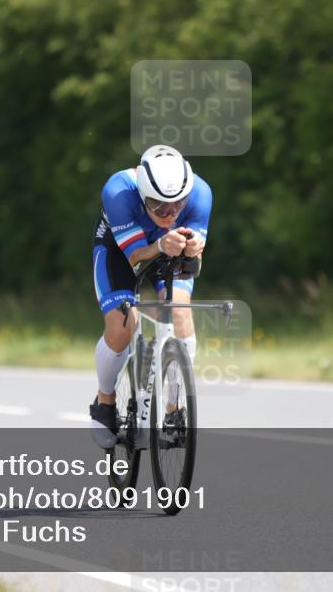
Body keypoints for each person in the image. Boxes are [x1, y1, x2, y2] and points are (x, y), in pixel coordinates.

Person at [89, 145, 212, 447]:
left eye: (177, 206)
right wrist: (160, 246)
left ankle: (174, 408)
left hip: (167, 249)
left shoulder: (200, 193)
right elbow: (137, 261)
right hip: (121, 251)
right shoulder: (118, 192)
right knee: (122, 327)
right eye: (159, 206)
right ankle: (104, 401)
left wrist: (195, 247)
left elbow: (193, 263)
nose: (170, 215)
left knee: (180, 313)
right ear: (143, 195)